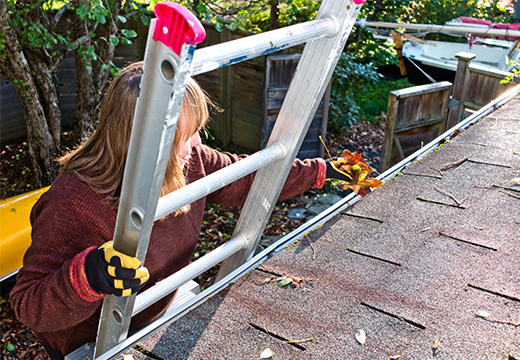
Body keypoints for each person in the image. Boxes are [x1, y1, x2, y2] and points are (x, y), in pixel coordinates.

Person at [10, 61, 349, 359]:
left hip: (151, 313)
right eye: (187, 135)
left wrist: (322, 171)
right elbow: (28, 305)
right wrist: (89, 275)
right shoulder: (74, 199)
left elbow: (249, 176)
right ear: (147, 141)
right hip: (85, 341)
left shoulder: (188, 162)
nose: (199, 144)